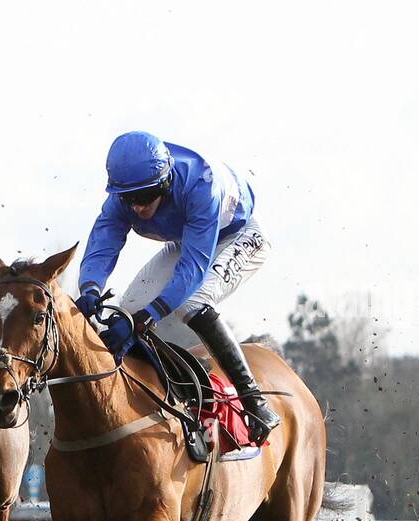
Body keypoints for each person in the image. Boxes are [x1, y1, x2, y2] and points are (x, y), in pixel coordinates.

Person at [73, 131, 280, 442]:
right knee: (125, 314)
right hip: (190, 237)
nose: (138, 208)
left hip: (239, 236)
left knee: (191, 303)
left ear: (165, 183)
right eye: (130, 199)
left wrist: (151, 315)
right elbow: (103, 244)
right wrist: (89, 289)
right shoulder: (124, 195)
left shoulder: (200, 187)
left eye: (144, 197)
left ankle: (255, 402)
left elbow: (192, 269)